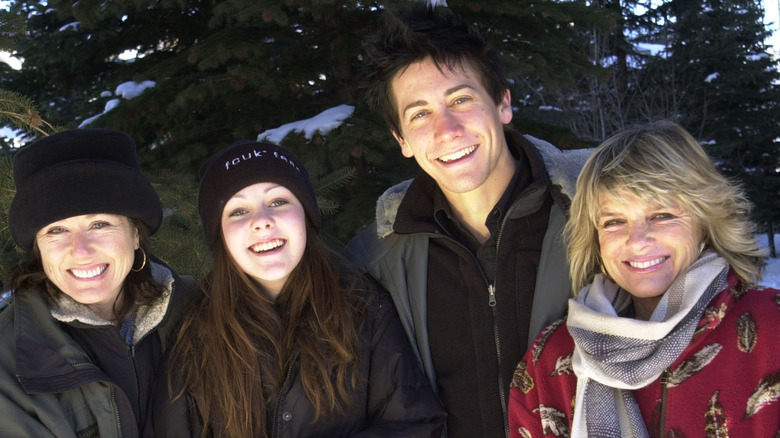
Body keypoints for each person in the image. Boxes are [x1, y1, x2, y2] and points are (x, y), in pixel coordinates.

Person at [342, 3, 588, 436]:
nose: (447, 129)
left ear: (503, 104)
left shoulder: (599, 217)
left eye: (460, 99)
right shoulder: (375, 263)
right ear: (401, 140)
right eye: (420, 113)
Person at [508, 120, 780, 437]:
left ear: (705, 222)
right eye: (614, 221)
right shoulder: (552, 359)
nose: (637, 240)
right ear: (595, 238)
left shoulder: (769, 330)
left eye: (662, 215)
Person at [160, 140, 446, 437]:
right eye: (238, 211)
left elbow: (415, 423)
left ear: (306, 215)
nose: (261, 222)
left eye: (278, 202)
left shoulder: (364, 306)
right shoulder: (194, 335)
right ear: (219, 236)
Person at [0, 128, 198, 437]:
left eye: (100, 224)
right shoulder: (6, 361)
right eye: (56, 231)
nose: (80, 250)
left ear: (135, 234)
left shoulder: (199, 310)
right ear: (37, 248)